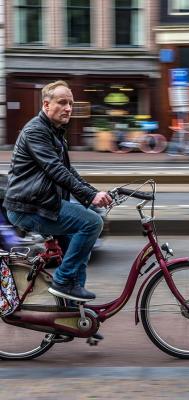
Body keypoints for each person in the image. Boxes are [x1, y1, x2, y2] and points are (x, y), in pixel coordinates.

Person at [4, 80, 112, 302]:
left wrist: (93, 193)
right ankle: (63, 280)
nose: (69, 108)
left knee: (81, 246)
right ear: (46, 105)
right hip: (29, 207)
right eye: (62, 102)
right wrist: (91, 197)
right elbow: (56, 171)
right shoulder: (36, 131)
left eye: (71, 103)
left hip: (42, 203)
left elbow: (69, 171)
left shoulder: (54, 132)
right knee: (92, 223)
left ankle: (73, 314)